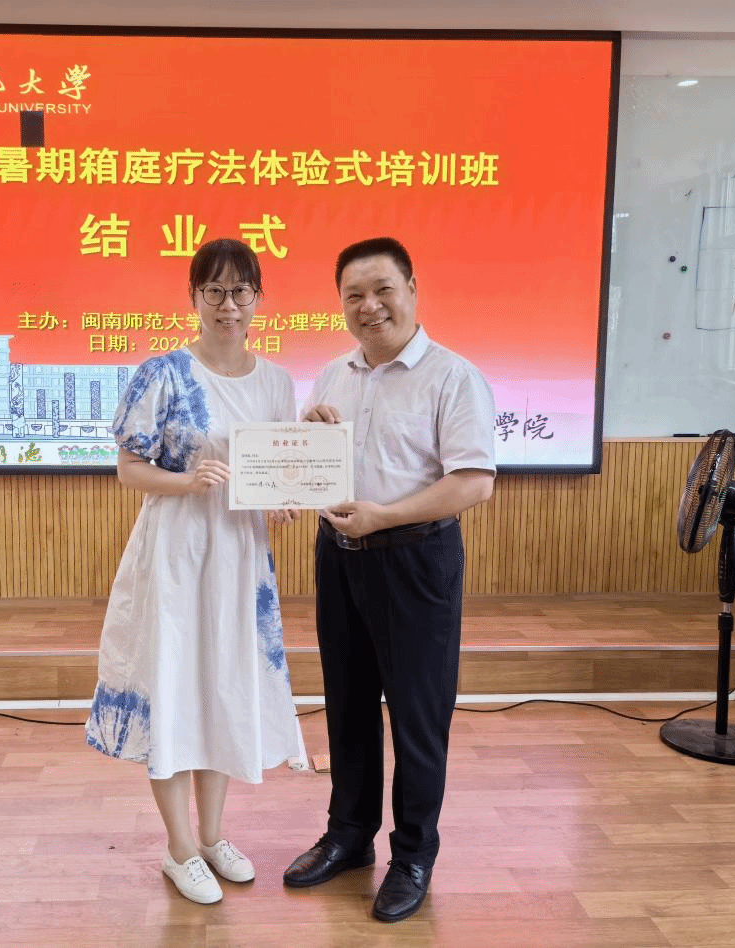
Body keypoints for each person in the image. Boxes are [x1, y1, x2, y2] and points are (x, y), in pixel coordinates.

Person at [282, 236, 497, 923]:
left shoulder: (453, 377)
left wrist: (385, 517)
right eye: (354, 295)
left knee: (417, 715)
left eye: (383, 290)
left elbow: (473, 483)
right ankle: (349, 836)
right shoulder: (332, 376)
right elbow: (311, 466)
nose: (369, 306)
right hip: (338, 555)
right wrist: (305, 437)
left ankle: (412, 855)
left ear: (412, 289)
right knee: (346, 704)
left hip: (415, 559)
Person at [85, 238, 302, 906]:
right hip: (176, 553)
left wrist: (283, 498)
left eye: (240, 291)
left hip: (239, 557)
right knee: (174, 687)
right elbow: (129, 469)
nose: (227, 305)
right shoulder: (164, 374)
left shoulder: (276, 382)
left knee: (222, 686)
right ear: (194, 298)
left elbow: (277, 468)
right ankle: (179, 849)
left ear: (258, 298)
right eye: (214, 291)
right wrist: (186, 481)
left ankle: (212, 837)